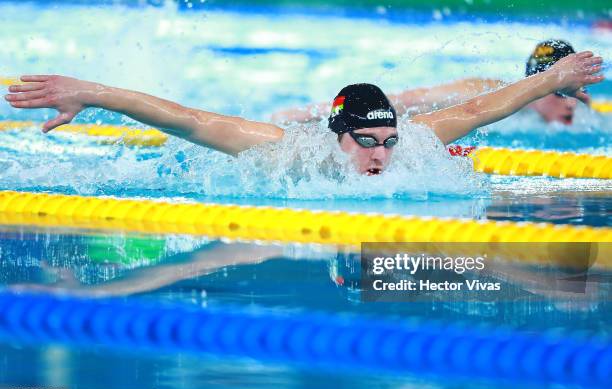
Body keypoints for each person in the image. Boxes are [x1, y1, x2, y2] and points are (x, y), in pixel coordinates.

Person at [4, 50, 603, 176]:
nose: (381, 154)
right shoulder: (288, 150)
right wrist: (93, 90)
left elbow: (476, 111)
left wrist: (552, 82)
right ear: (336, 135)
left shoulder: (410, 143)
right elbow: (188, 119)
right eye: (367, 140)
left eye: (388, 141)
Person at [271, 39, 587, 126]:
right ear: (537, 84)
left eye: (570, 92)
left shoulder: (585, 111)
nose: (570, 103)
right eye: (558, 93)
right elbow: (407, 99)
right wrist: (308, 113)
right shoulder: (484, 92)